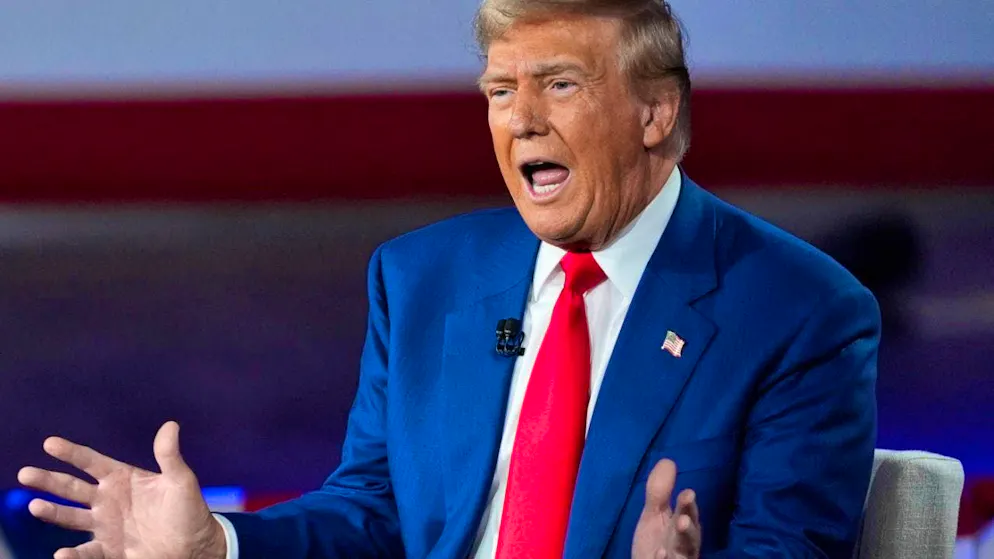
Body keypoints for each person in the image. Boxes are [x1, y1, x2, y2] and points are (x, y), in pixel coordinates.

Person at [17, 1, 880, 558]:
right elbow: (375, 512)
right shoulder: (421, 277)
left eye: (560, 84)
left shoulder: (802, 311)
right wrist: (221, 544)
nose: (522, 119)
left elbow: (789, 546)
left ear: (655, 112)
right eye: (500, 90)